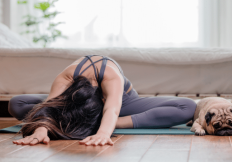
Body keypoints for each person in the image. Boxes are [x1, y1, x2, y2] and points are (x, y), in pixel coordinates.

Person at [9, 55, 197, 146]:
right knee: (17, 104)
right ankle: (84, 118)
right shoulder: (65, 79)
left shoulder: (110, 77)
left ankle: (107, 123)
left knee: (187, 106)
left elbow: (111, 110)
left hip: (123, 103)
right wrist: (41, 129)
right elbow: (49, 107)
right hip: (72, 103)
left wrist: (104, 131)